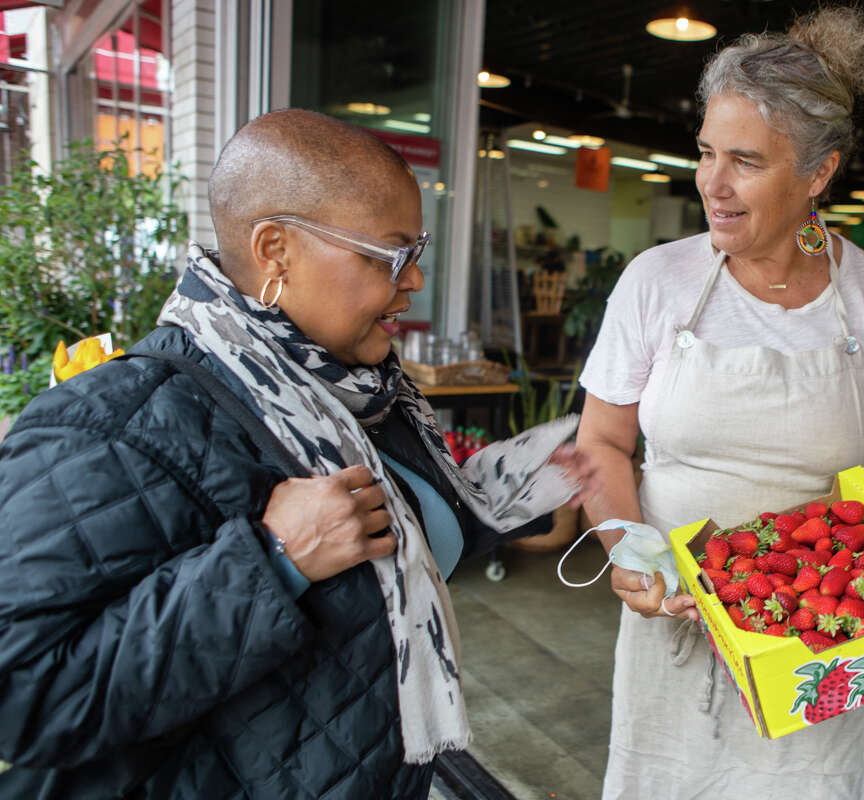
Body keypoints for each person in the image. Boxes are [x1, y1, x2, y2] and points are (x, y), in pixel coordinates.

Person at [0, 109, 596, 798]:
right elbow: (23, 693)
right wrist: (272, 560)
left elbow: (399, 548)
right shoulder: (114, 422)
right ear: (275, 250)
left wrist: (526, 480)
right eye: (390, 255)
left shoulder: (362, 394)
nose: (413, 282)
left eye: (417, 251)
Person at [575, 7, 864, 798]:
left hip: (820, 647)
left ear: (818, 173)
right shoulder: (658, 281)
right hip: (672, 630)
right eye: (706, 151)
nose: (711, 182)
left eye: (744, 160)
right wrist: (625, 552)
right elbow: (602, 442)